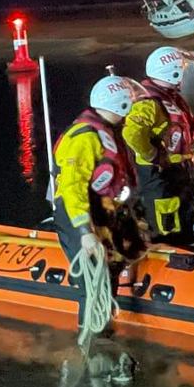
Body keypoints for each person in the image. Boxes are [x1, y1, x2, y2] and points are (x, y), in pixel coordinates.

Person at [53, 75, 146, 289]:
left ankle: (110, 316)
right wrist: (85, 232)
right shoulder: (85, 138)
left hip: (103, 209)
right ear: (121, 104)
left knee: (112, 267)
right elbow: (72, 187)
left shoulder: (109, 132)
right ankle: (93, 322)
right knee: (94, 280)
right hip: (76, 212)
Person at [124, 46, 194, 244]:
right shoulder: (150, 103)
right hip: (160, 175)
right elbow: (131, 132)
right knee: (166, 223)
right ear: (174, 72)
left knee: (182, 214)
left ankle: (185, 244)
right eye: (182, 70)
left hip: (176, 171)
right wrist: (152, 154)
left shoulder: (170, 97)